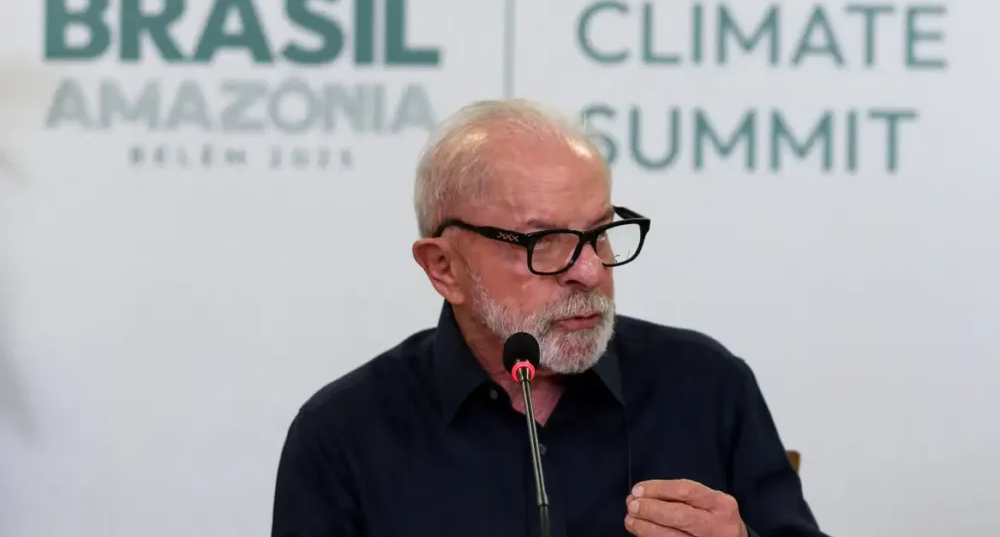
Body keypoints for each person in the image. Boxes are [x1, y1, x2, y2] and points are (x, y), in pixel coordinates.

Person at [270, 99, 829, 537]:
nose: (589, 270)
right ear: (444, 268)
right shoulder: (345, 433)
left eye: (600, 233)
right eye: (545, 242)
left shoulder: (705, 386)